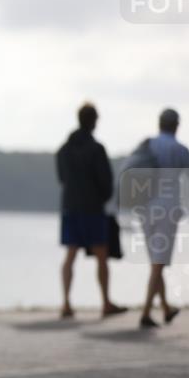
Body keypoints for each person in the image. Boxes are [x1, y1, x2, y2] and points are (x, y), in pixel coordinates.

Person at [55, 102, 127, 319]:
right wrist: (101, 197)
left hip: (70, 206)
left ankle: (66, 303)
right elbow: (106, 181)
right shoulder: (96, 149)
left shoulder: (64, 150)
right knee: (102, 255)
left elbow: (61, 178)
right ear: (94, 121)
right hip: (92, 208)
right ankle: (105, 302)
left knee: (70, 254)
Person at [137, 108, 189, 329]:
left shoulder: (146, 145)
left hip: (145, 207)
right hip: (167, 208)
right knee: (158, 263)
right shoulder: (180, 150)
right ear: (176, 125)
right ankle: (147, 312)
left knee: (154, 262)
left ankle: (165, 308)